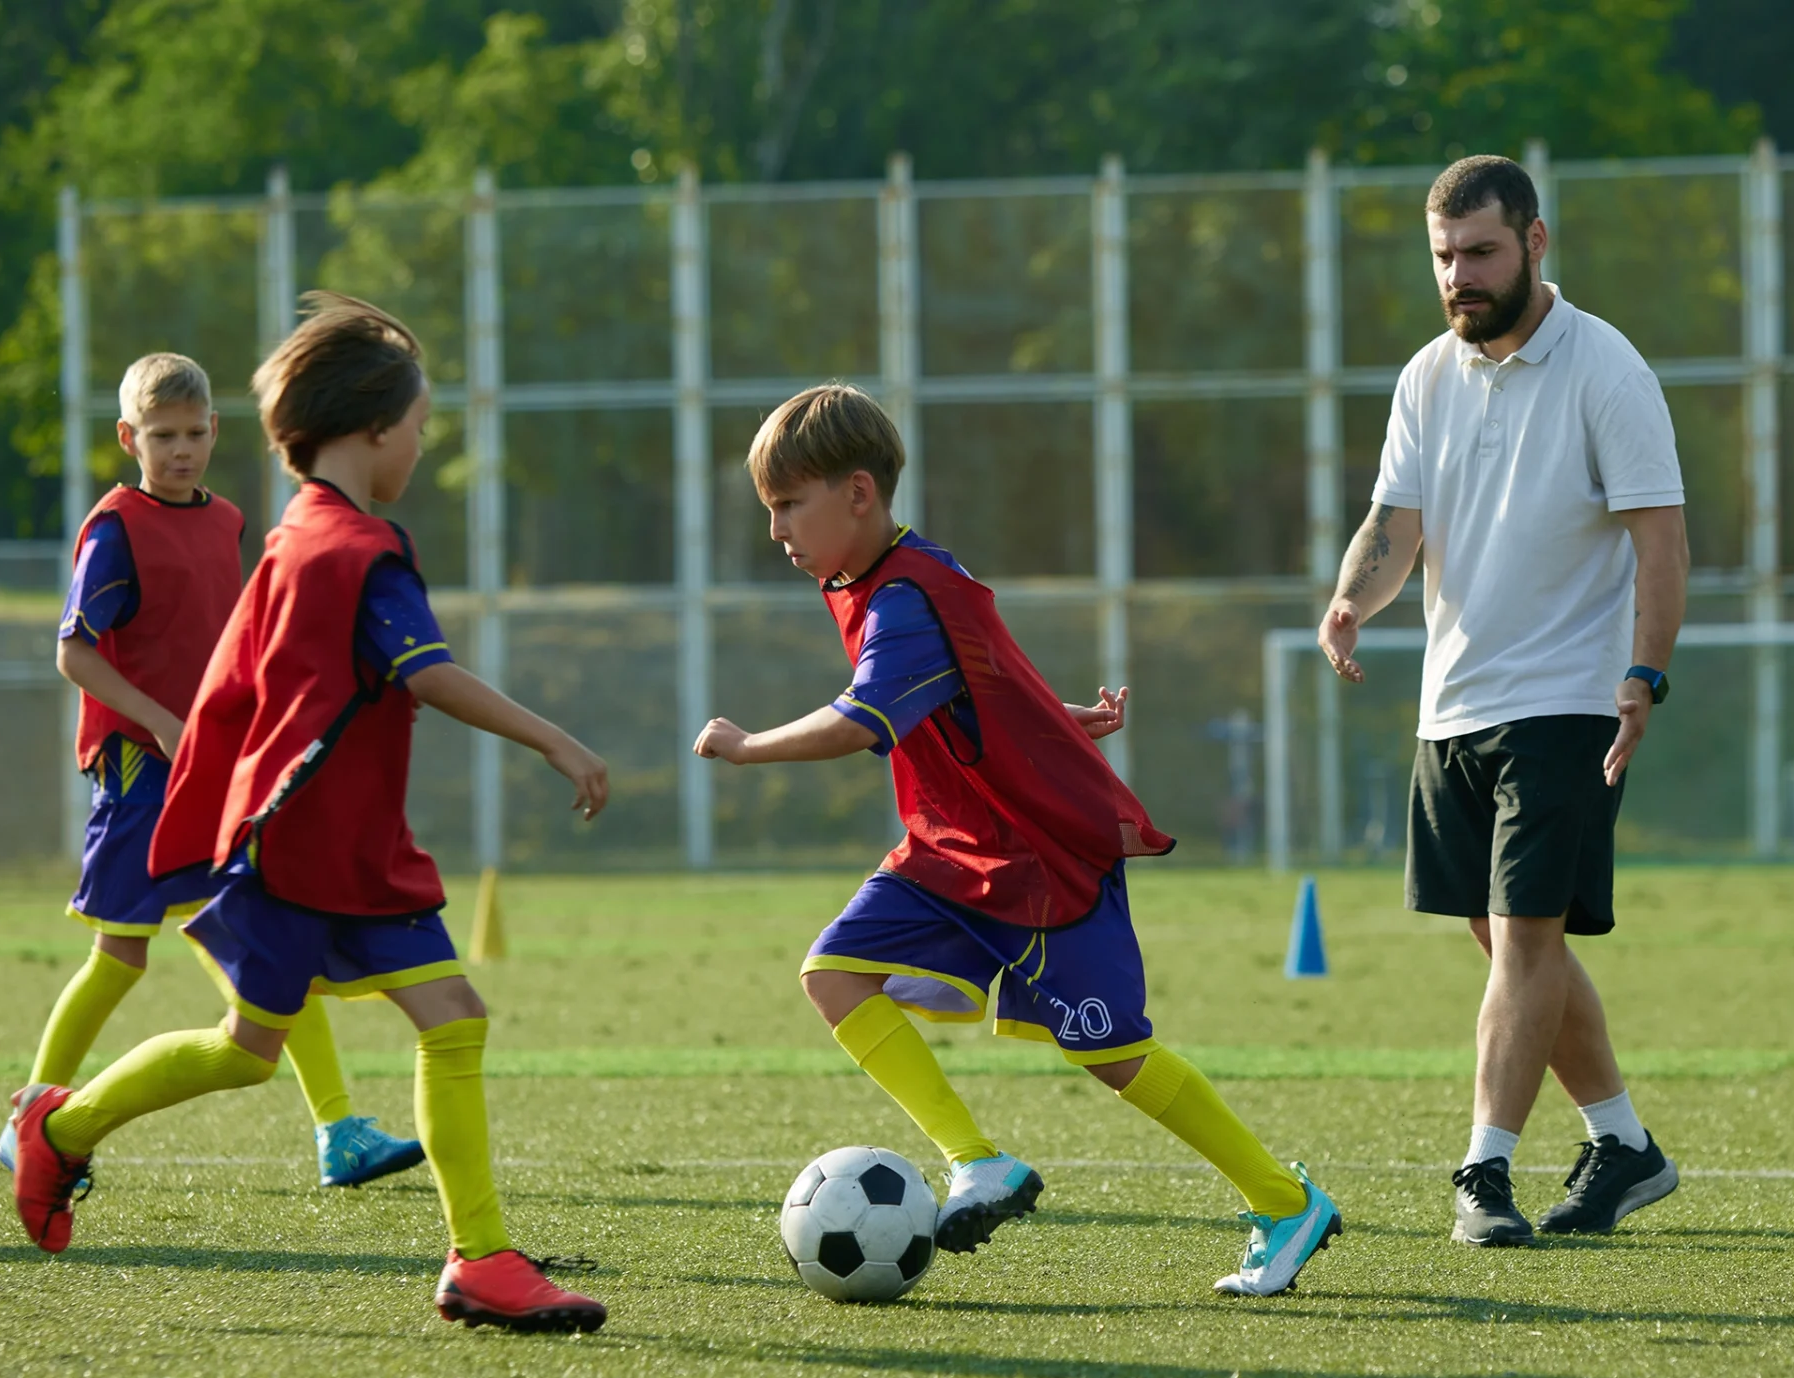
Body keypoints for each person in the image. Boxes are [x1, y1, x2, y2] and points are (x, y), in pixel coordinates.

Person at [0, 294, 613, 1333]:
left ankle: (479, 1260)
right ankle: (67, 1131)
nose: (421, 443)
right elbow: (427, 675)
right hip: (303, 847)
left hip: (333, 837)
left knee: (397, 1027)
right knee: (258, 1044)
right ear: (374, 428)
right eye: (420, 425)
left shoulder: (290, 533)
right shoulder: (353, 551)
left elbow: (239, 686)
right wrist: (554, 737)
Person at [693, 383, 1341, 1297]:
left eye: (788, 504)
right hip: (953, 850)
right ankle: (978, 1161)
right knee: (833, 971)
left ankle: (1284, 1200)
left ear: (860, 493)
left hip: (1032, 862)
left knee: (1112, 1052)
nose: (777, 531)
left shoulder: (904, 600)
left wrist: (748, 746)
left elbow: (863, 718)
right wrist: (1062, 716)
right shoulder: (899, 576)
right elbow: (990, 674)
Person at [1318, 155, 1691, 1247]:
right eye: (1442, 257)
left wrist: (1644, 672)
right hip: (1454, 704)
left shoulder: (1607, 370)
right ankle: (1622, 1145)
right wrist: (1350, 601)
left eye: (1478, 252)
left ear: (1535, 243)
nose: (1458, 277)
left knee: (1527, 937)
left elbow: (1659, 539)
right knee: (1500, 937)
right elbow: (1397, 523)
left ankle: (1483, 1173)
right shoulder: (1427, 375)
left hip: (1569, 699)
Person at [0, 350, 424, 1191]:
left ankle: (339, 1130)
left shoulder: (225, 518)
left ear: (217, 432)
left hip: (209, 768)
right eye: (162, 435)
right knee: (121, 955)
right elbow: (74, 653)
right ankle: (31, 1122)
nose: (180, 449)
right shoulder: (115, 528)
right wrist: (156, 718)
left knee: (271, 938)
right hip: (138, 770)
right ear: (129, 437)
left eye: (193, 433)